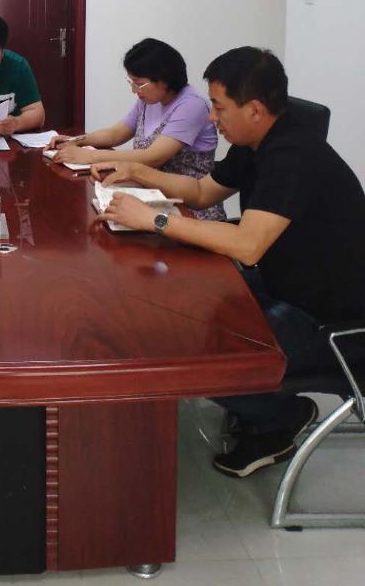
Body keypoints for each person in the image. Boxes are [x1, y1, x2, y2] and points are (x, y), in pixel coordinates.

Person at [93, 47, 365, 478]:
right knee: (176, 311)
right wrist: (139, 172)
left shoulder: (293, 156)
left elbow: (248, 245)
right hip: (282, 284)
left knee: (196, 355)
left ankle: (282, 418)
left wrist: (155, 219)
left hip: (330, 321)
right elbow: (204, 193)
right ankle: (255, 404)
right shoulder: (257, 142)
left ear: (254, 109)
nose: (211, 116)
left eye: (219, 107)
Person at [47, 38, 224, 220]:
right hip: (153, 197)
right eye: (131, 82)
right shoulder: (149, 100)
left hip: (190, 209)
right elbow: (116, 134)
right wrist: (75, 140)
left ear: (163, 80)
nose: (133, 90)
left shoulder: (192, 105)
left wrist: (90, 156)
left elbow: (153, 157)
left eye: (138, 83)